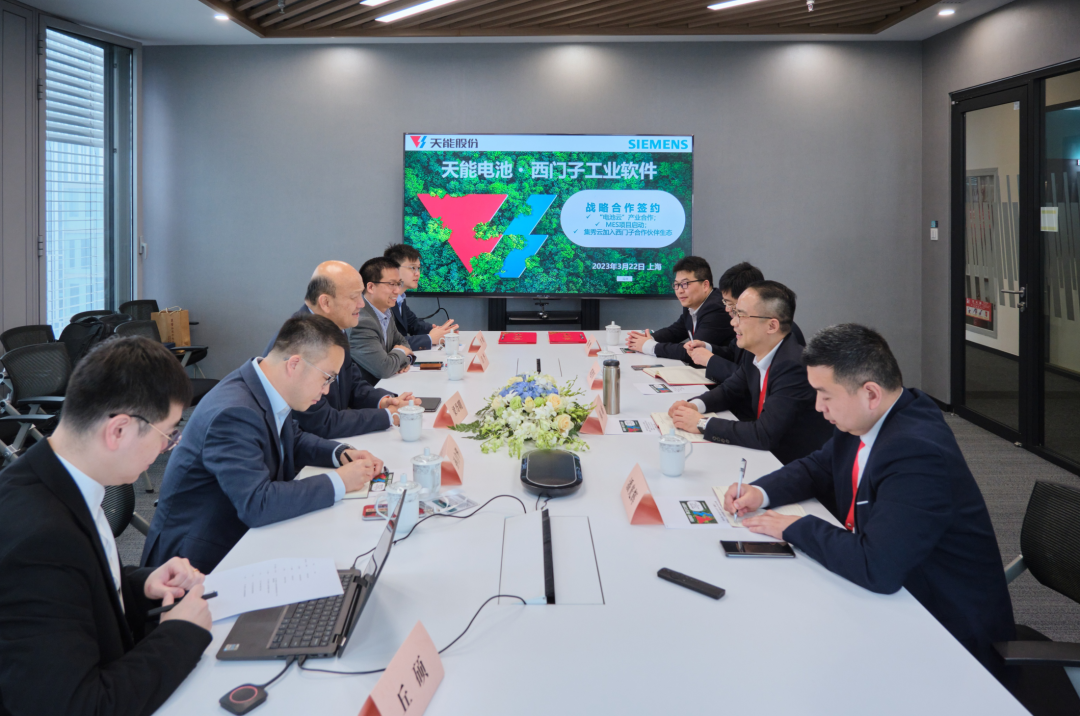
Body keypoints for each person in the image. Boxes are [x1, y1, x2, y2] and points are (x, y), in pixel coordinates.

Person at [722, 324, 1015, 670]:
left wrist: (793, 527)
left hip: (947, 636)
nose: (818, 407)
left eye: (825, 395)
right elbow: (818, 467)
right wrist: (760, 491)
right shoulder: (869, 418)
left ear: (871, 393)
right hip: (896, 600)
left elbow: (877, 566)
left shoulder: (917, 451)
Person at [0, 337, 213, 716]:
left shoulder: (58, 478)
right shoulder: (39, 540)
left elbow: (75, 593)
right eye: (167, 435)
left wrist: (141, 585)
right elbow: (77, 707)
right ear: (119, 430)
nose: (165, 449)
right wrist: (180, 635)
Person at [143, 314, 383, 573]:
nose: (326, 390)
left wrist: (341, 453)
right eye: (327, 378)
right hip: (194, 563)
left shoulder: (264, 385)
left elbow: (292, 439)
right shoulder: (234, 412)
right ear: (294, 364)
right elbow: (257, 503)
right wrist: (340, 481)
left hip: (240, 534)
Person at [668, 281, 832, 464]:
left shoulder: (793, 366)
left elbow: (764, 434)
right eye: (735, 313)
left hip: (789, 463)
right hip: (763, 455)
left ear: (772, 326)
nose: (733, 322)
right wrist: (694, 406)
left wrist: (701, 423)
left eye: (741, 315)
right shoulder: (754, 351)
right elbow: (729, 390)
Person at [265, 260, 420, 438]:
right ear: (326, 302)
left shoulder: (335, 328)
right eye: (354, 297)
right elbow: (322, 422)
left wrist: (384, 401)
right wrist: (387, 416)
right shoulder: (300, 342)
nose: (362, 304)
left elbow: (352, 383)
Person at [685, 262, 807, 384]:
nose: (727, 309)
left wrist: (710, 360)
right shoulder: (748, 326)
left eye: (730, 304)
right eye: (725, 303)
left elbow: (749, 381)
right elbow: (734, 353)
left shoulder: (779, 335)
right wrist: (707, 347)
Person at [625, 256, 732, 362]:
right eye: (676, 284)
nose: (679, 290)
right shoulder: (692, 304)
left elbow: (693, 352)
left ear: (705, 285)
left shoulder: (717, 308)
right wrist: (648, 338)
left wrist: (649, 346)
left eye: (685, 284)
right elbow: (675, 331)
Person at [349, 257, 415, 385]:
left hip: (388, 384)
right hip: (368, 391)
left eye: (399, 284)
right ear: (371, 287)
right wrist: (401, 354)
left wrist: (402, 359)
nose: (397, 290)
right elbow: (384, 368)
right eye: (391, 284)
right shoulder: (361, 322)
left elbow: (403, 343)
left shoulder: (386, 312)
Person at [384, 243, 457, 350]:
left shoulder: (400, 298)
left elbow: (414, 324)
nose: (417, 273)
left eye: (418, 268)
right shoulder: (383, 300)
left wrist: (439, 331)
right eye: (412, 268)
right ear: (394, 269)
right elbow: (390, 342)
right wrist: (430, 338)